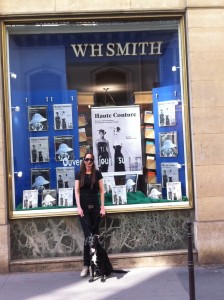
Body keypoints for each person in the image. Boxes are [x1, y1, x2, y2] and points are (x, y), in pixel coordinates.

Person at [75, 151, 105, 278]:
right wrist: (79, 208)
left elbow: (102, 191)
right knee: (88, 237)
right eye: (86, 160)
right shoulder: (79, 174)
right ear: (83, 160)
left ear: (93, 162)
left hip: (95, 208)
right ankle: (86, 265)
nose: (88, 162)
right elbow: (76, 192)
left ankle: (97, 265)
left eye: (91, 160)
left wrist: (102, 207)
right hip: (84, 209)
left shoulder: (97, 174)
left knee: (95, 237)